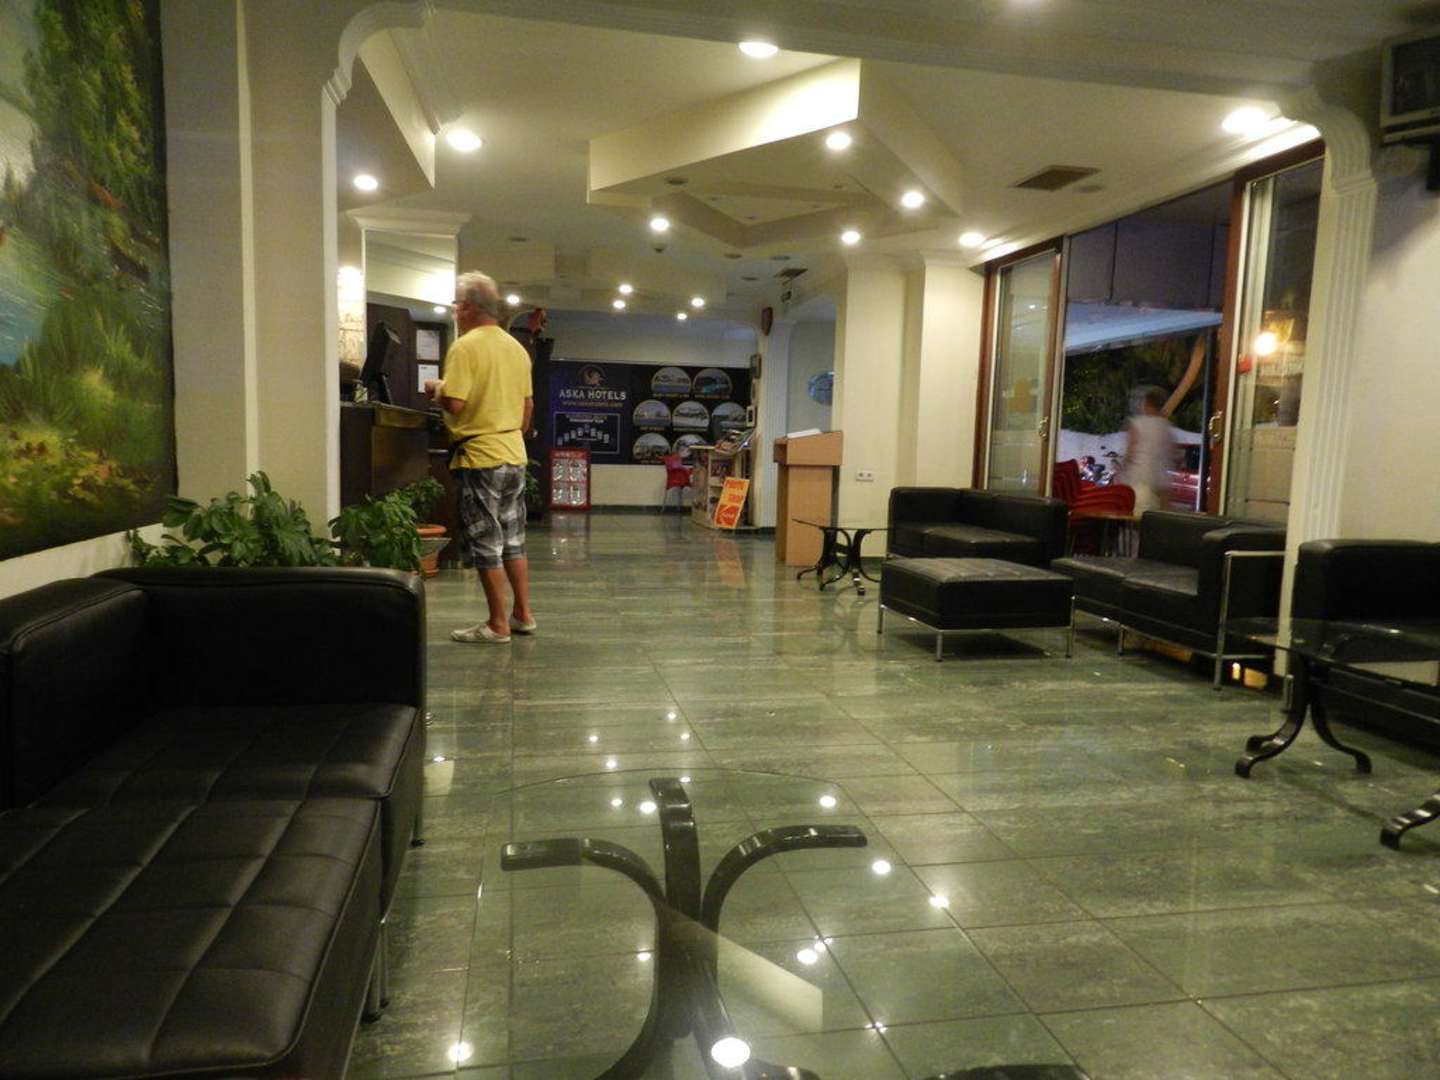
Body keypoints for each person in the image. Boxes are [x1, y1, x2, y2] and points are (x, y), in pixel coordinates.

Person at [425, 271, 536, 643]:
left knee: (486, 540)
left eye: (455, 305)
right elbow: (527, 409)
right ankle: (523, 614)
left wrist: (436, 389)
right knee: (514, 539)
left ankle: (497, 624)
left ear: (469, 308)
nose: (454, 312)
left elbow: (456, 402)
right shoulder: (516, 348)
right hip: (514, 454)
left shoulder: (465, 346)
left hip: (479, 457)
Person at [1116, 384, 1177, 515]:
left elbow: (1131, 452)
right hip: (1161, 482)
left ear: (1146, 404)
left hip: (1141, 479)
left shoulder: (1138, 424)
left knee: (1137, 518)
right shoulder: (1166, 426)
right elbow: (1172, 455)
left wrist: (1121, 471)